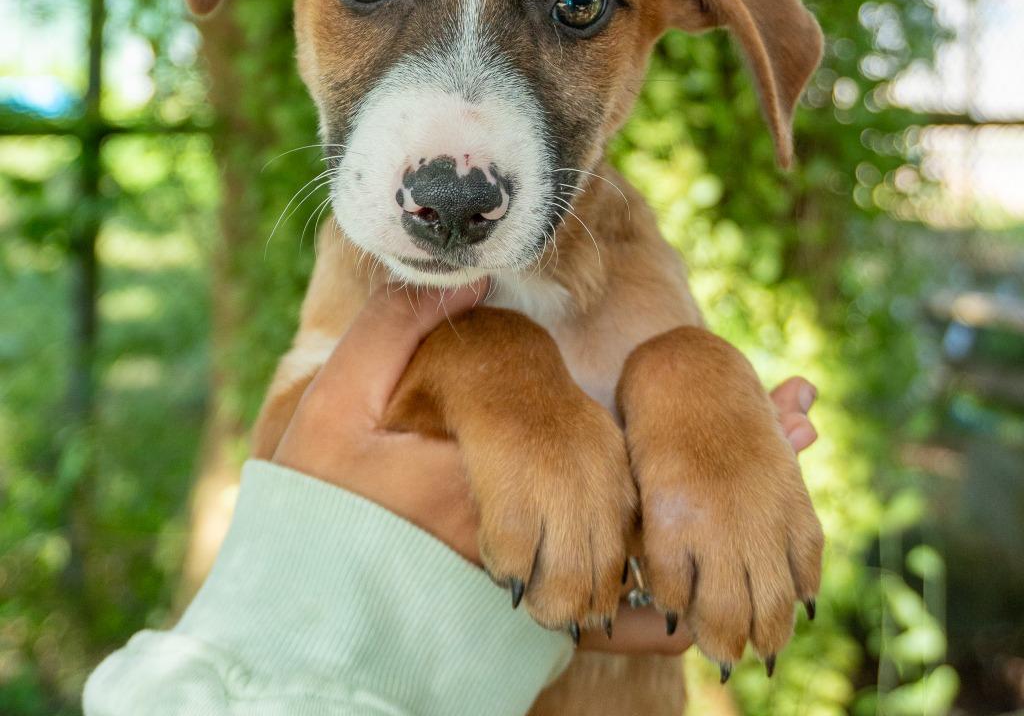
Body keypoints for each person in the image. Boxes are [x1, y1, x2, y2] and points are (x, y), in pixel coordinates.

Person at [84, 283, 820, 716]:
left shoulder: (635, 279)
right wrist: (486, 366)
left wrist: (705, 409)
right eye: (366, 2)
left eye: (576, 7)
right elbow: (294, 444)